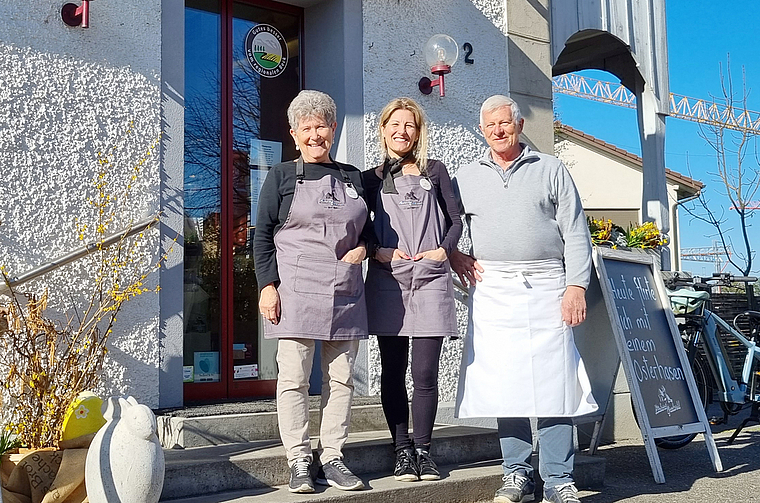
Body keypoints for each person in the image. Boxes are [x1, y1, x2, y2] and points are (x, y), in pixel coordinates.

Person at [451, 95, 598, 503]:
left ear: (517, 124)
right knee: (506, 383)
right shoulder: (466, 176)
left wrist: (577, 286)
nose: (498, 131)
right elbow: (445, 224)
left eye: (505, 123)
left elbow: (575, 231)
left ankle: (557, 479)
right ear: (482, 130)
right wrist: (454, 254)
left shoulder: (551, 169)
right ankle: (516, 473)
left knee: (556, 383)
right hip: (494, 288)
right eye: (490, 126)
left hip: (550, 285)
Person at [253, 90, 373, 494]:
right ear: (293, 134)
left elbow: (371, 230)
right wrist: (267, 286)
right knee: (294, 380)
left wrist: (365, 248)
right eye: (306, 128)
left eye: (322, 126)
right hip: (298, 289)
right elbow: (262, 235)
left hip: (345, 289)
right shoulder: (282, 176)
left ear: (333, 129)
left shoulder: (354, 176)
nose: (315, 134)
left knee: (341, 380)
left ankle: (333, 456)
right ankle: (299, 459)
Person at [362, 97, 461, 482]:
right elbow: (360, 227)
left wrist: (443, 250)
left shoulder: (436, 171)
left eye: (411, 125)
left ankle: (424, 450)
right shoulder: (370, 178)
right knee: (392, 370)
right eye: (395, 124)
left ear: (418, 132)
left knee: (424, 372)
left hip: (432, 279)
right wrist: (379, 250)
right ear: (383, 128)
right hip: (390, 280)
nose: (402, 131)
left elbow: (455, 220)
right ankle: (401, 450)